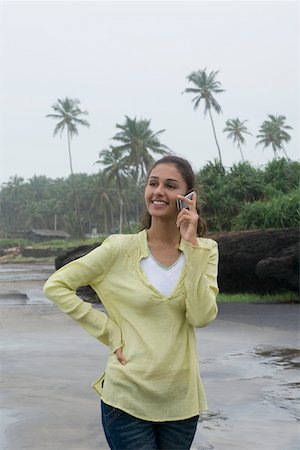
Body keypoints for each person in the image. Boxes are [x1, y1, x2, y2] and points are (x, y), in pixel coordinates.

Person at [43, 155, 219, 450]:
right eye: (153, 183)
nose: (158, 191)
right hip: (126, 398)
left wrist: (191, 247)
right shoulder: (118, 248)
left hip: (181, 401)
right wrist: (110, 332)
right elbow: (57, 285)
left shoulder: (206, 251)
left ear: (188, 198)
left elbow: (200, 316)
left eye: (170, 185)